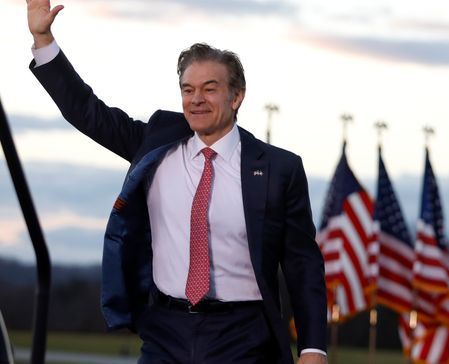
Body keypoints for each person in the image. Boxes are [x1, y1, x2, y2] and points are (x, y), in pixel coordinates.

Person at [26, 0, 327, 363]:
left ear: (237, 96)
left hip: (244, 336)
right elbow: (88, 111)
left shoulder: (280, 169)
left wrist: (313, 348)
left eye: (209, 88)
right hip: (165, 331)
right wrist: (43, 39)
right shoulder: (157, 141)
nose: (196, 99)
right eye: (188, 89)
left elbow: (302, 265)